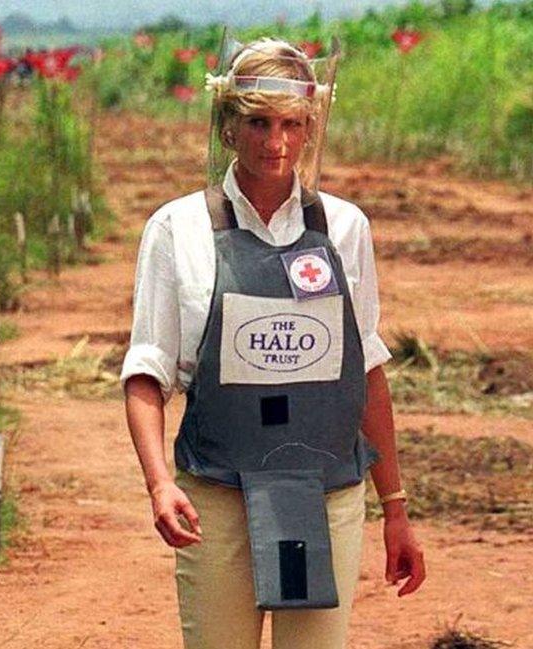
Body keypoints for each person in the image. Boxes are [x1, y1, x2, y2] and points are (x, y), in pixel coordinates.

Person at [120, 36, 426, 649]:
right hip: (219, 497)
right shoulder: (176, 230)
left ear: (310, 129)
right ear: (228, 126)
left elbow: (363, 370)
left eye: (290, 124)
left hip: (326, 494)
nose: (275, 142)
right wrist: (159, 484)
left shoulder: (345, 228)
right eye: (258, 122)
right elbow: (146, 373)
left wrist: (394, 507)